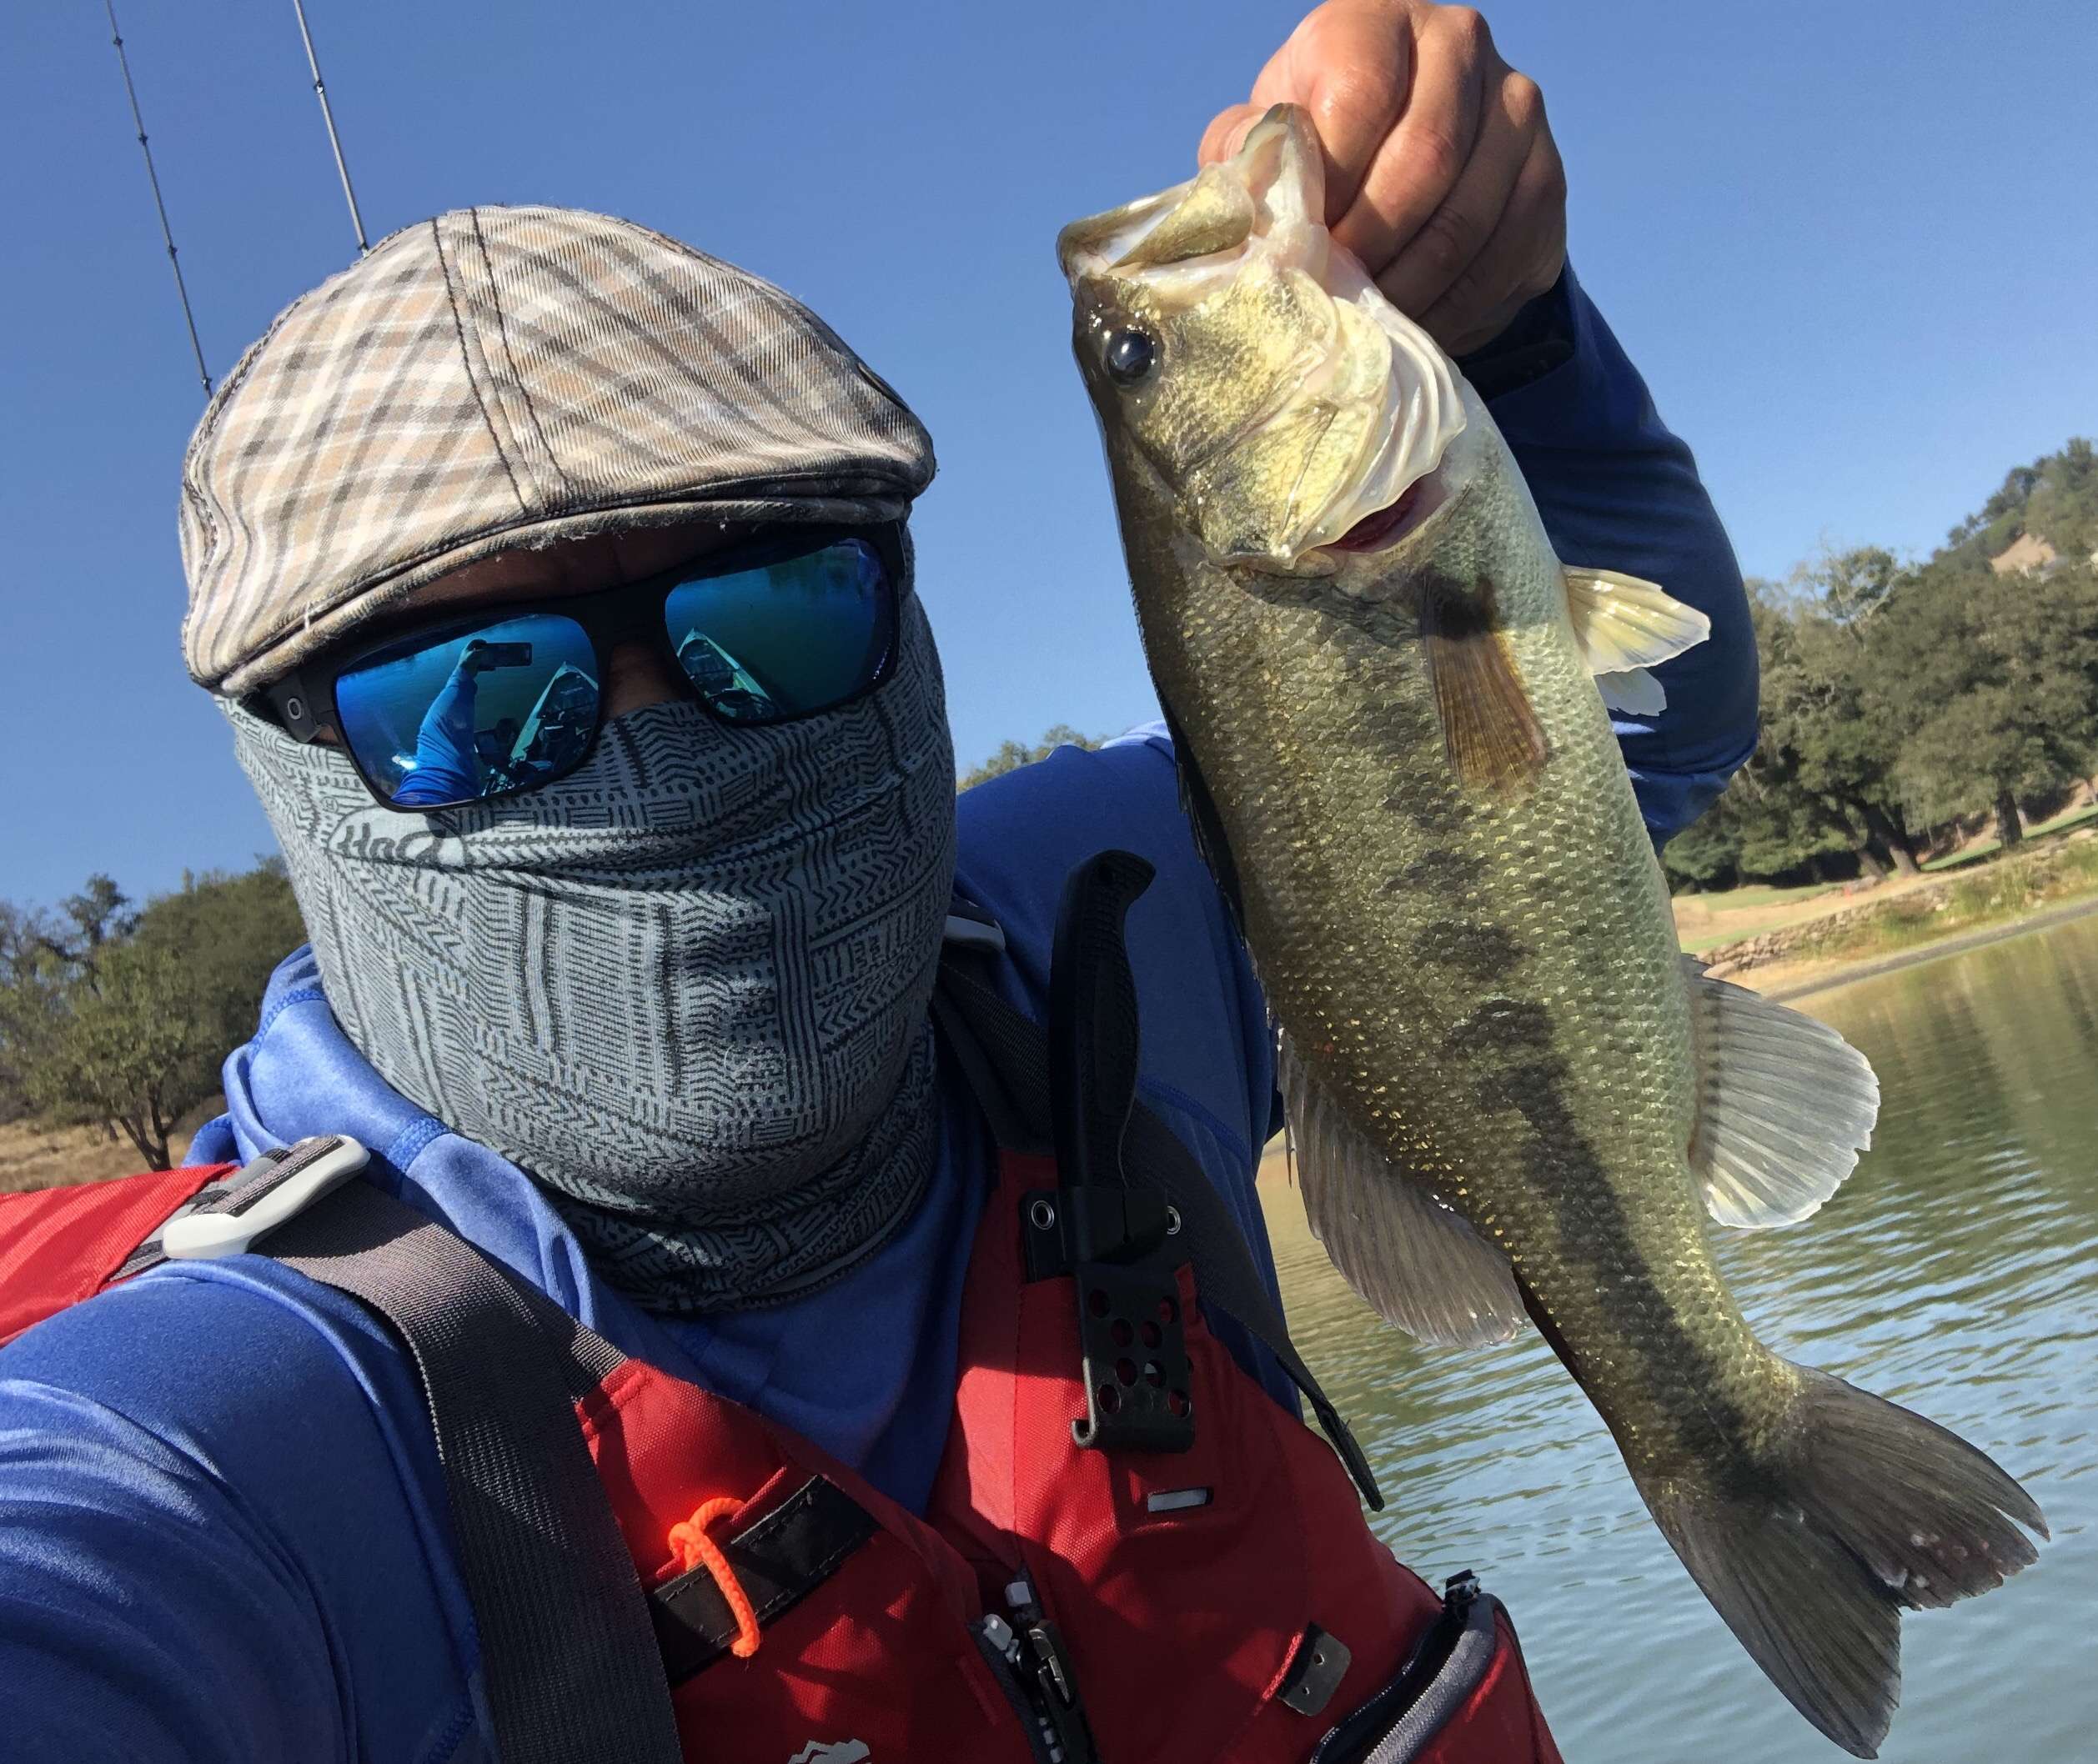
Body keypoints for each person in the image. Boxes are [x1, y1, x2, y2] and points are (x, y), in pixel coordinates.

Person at [0, 3, 1754, 1759]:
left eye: (769, 611)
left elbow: (1646, 741)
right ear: (295, 766)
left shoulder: (1083, 922)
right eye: (469, 693)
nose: (659, 737)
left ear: (900, 617)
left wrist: (1516, 346)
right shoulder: (239, 1431)